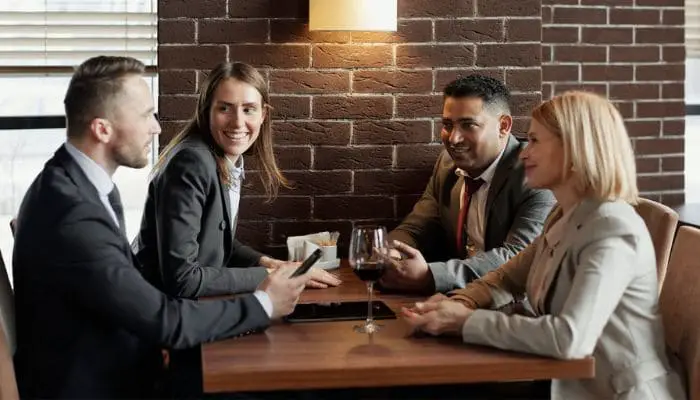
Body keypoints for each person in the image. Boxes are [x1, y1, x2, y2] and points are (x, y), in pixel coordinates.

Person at [11, 56, 312, 399]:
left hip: (128, 360)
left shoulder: (74, 185)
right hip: (109, 384)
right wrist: (264, 304)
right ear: (102, 129)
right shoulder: (73, 213)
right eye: (145, 115)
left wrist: (265, 273)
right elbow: (166, 320)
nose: (156, 127)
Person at [403, 91, 687, 399]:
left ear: (576, 149)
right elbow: (507, 277)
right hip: (563, 383)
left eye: (536, 141)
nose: (524, 153)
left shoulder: (612, 229)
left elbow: (570, 339)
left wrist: (465, 322)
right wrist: (461, 302)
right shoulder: (563, 214)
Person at [133, 61, 340, 299]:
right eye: (225, 109)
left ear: (263, 115)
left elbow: (218, 242)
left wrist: (271, 263)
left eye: (249, 109)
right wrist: (272, 276)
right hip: (158, 314)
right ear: (205, 111)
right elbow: (182, 279)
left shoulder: (223, 159)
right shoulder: (192, 163)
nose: (238, 123)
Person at [383, 75, 554, 293]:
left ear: (503, 126)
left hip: (513, 304)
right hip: (458, 298)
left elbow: (517, 258)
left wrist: (431, 276)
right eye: (447, 125)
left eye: (468, 125)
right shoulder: (446, 164)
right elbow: (416, 227)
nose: (453, 139)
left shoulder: (534, 174)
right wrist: (392, 253)